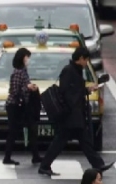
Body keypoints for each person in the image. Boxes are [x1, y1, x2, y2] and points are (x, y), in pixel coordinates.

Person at [39, 47, 114, 176]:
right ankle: (45, 165)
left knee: (81, 141)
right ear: (80, 59)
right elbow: (67, 92)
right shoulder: (69, 71)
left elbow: (75, 91)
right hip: (70, 114)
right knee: (64, 141)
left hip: (74, 114)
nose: (87, 63)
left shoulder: (75, 71)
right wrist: (83, 92)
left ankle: (98, 165)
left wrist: (86, 90)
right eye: (86, 60)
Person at [4, 47, 40, 165]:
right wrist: (28, 87)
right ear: (22, 58)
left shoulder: (24, 71)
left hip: (23, 105)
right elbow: (14, 91)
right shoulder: (17, 72)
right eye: (27, 57)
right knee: (13, 131)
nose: (28, 59)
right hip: (15, 106)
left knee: (32, 129)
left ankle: (35, 155)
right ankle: (7, 157)